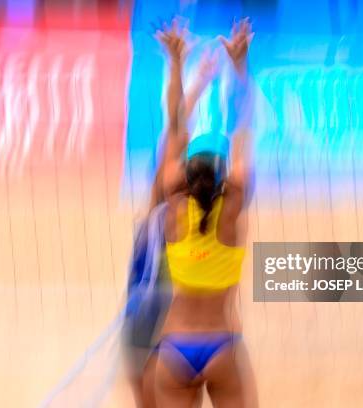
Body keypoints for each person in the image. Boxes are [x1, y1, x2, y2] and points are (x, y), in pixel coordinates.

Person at [154, 18, 258, 408]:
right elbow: (244, 127)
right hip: (221, 344)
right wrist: (240, 69)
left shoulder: (173, 207)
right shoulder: (233, 208)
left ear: (186, 170)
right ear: (222, 170)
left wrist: (177, 63)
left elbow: (177, 125)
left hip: (174, 347)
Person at [123, 18, 220, 408]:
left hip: (149, 313)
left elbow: (176, 125)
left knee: (149, 395)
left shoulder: (163, 202)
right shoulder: (214, 215)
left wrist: (179, 64)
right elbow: (179, 125)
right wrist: (194, 83)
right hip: (179, 318)